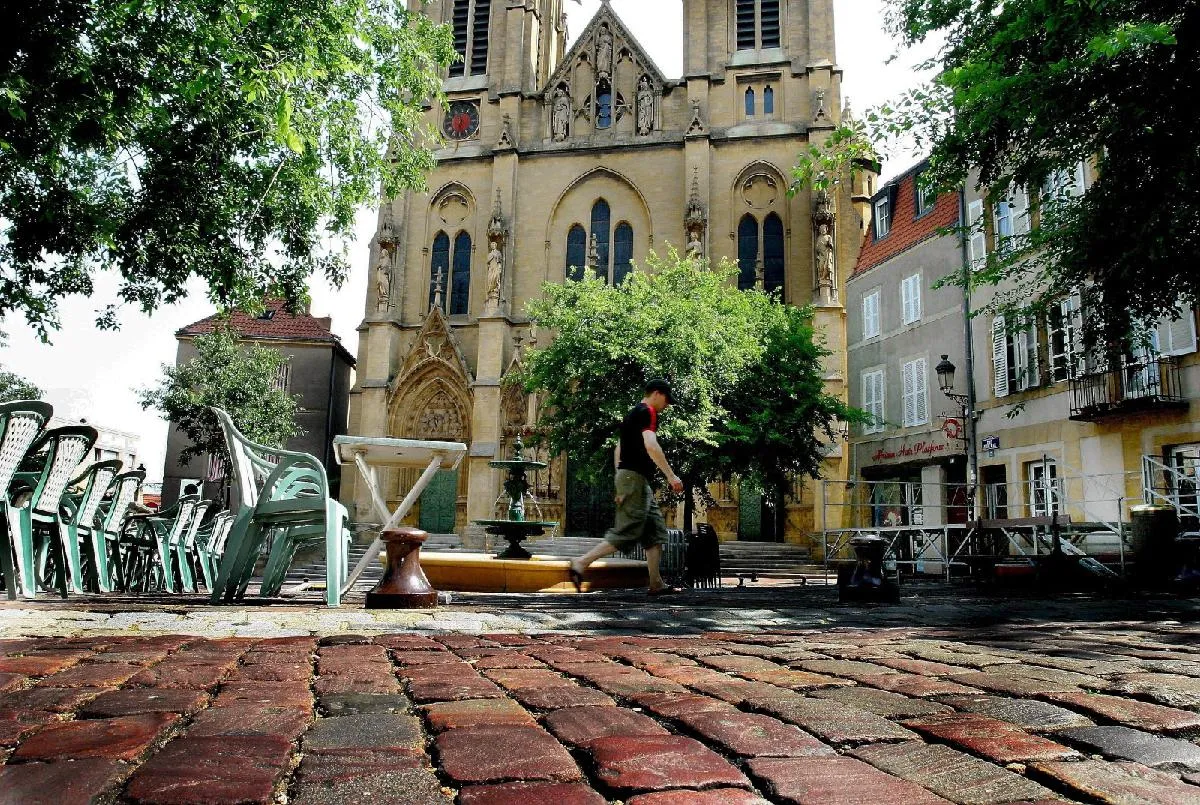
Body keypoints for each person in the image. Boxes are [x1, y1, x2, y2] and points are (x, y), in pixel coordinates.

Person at [568, 379, 685, 595]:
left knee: (655, 531)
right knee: (627, 532)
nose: (667, 405)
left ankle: (656, 583)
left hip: (631, 478)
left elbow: (618, 449)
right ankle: (580, 563)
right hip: (634, 479)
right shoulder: (648, 411)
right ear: (657, 394)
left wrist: (618, 479)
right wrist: (671, 476)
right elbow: (651, 445)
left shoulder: (631, 414)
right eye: (667, 400)